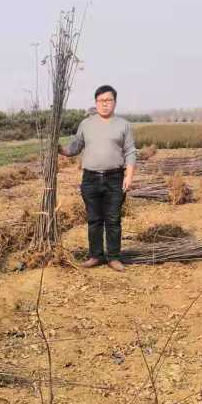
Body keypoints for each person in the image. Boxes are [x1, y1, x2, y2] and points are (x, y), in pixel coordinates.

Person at [59, 85, 136, 272]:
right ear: (96, 103)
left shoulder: (123, 125)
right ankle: (95, 256)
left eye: (108, 100)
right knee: (94, 219)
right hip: (91, 179)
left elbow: (130, 152)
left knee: (113, 219)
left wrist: (129, 176)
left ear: (115, 103)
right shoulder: (86, 124)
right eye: (101, 101)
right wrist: (60, 150)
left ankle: (113, 257)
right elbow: (75, 147)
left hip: (115, 178)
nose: (105, 104)